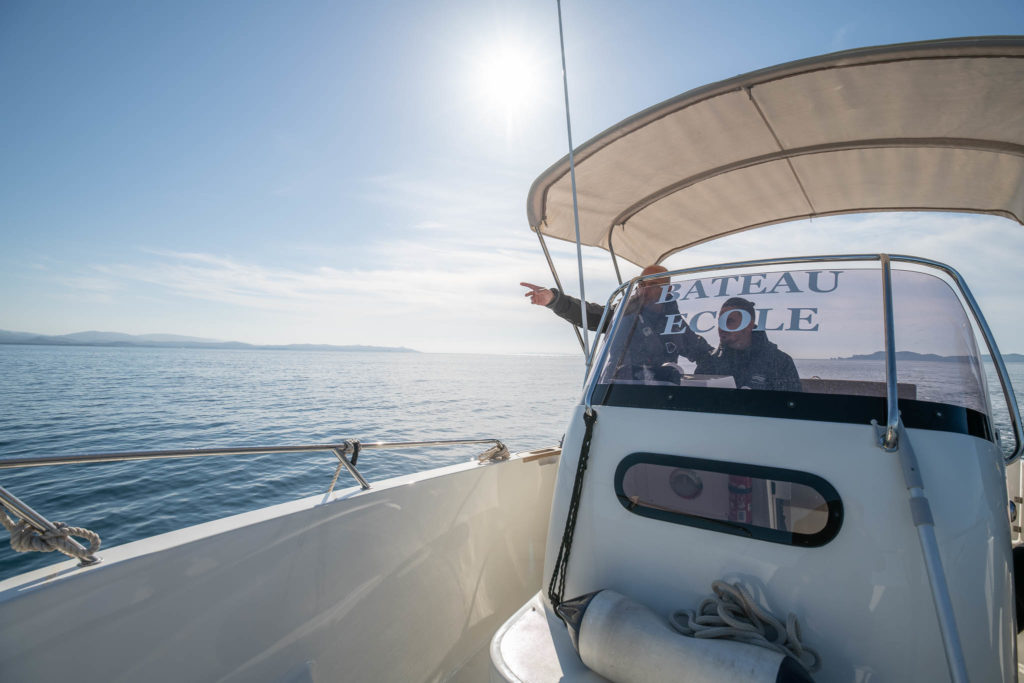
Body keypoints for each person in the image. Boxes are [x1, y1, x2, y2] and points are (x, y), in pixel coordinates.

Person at [521, 265, 712, 382]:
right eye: (641, 284)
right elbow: (591, 314)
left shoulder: (674, 321)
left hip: (657, 397)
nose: (644, 289)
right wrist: (555, 300)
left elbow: (698, 349)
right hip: (617, 392)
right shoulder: (625, 313)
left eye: (651, 284)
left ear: (667, 288)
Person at [694, 297, 802, 392]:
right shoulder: (708, 362)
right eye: (720, 322)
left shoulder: (780, 362)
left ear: (749, 325)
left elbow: (790, 409)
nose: (722, 327)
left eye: (729, 321)